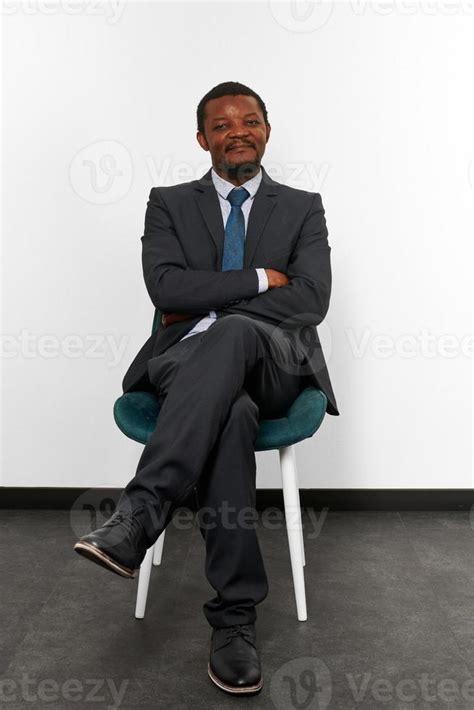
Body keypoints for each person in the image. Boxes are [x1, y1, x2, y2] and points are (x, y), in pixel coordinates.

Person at [74, 81, 339, 696]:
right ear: (203, 140)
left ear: (268, 130)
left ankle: (140, 515)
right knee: (232, 413)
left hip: (273, 363)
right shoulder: (168, 201)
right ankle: (234, 621)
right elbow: (166, 290)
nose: (237, 131)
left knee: (237, 335)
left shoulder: (303, 206)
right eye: (222, 126)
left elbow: (313, 298)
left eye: (249, 121)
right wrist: (259, 278)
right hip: (183, 365)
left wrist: (217, 297)